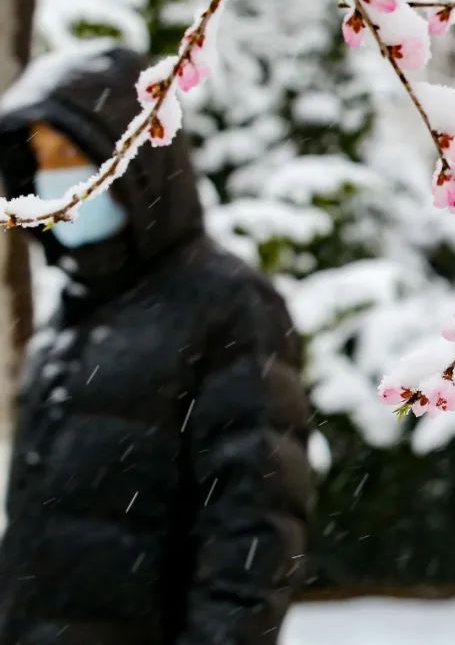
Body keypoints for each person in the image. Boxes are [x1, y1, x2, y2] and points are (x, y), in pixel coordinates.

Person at [0, 45, 312, 645]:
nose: (51, 176)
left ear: (135, 161)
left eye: (71, 153)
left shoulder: (228, 306)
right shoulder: (75, 310)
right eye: (39, 158)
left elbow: (252, 539)